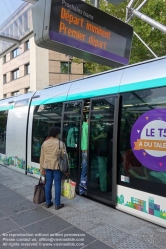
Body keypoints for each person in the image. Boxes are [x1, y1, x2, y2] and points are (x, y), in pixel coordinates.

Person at [40, 126, 68, 210]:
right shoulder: (60, 143)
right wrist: (67, 170)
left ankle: (48, 203)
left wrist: (41, 169)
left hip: (47, 166)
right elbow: (65, 157)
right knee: (57, 184)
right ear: (56, 134)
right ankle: (57, 204)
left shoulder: (44, 143)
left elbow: (42, 157)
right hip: (57, 167)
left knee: (48, 184)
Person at [79, 116, 89, 194]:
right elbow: (87, 140)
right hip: (86, 151)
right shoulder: (88, 127)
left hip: (83, 150)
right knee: (85, 169)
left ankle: (82, 186)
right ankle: (82, 186)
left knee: (84, 169)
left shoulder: (83, 125)